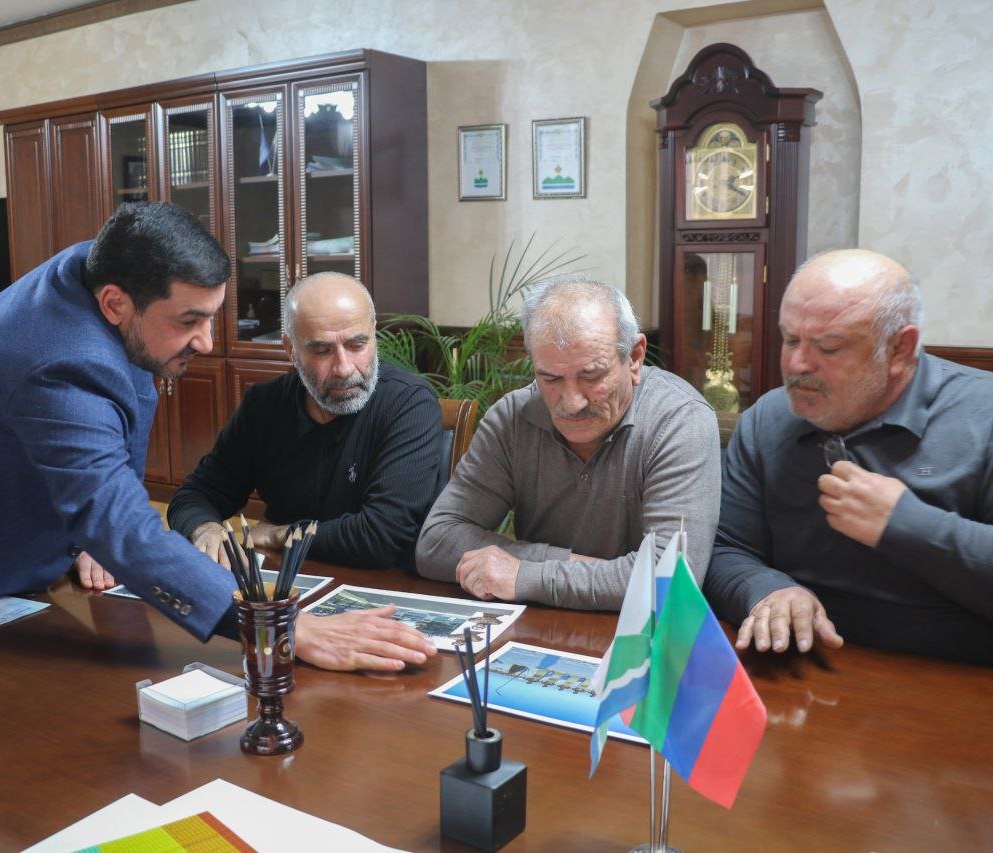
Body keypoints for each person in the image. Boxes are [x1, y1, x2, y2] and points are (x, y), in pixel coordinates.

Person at [0, 202, 434, 672]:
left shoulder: (110, 268)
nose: (206, 343)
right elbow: (120, 519)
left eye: (211, 316)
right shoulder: (59, 360)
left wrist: (91, 528)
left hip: (5, 471)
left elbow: (103, 465)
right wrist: (282, 626)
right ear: (115, 304)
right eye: (189, 321)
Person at [705, 249, 993, 665]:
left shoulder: (983, 416)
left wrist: (906, 525)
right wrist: (766, 589)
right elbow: (725, 549)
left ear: (900, 349)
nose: (798, 364)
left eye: (830, 347)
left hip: (956, 677)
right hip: (801, 666)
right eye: (790, 340)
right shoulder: (768, 418)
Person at [415, 277, 720, 608]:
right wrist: (580, 567)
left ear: (634, 358)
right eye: (551, 379)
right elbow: (436, 541)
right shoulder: (513, 418)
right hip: (539, 623)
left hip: (640, 633)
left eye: (591, 376)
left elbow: (671, 583)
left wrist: (524, 574)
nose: (572, 403)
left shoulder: (680, 421)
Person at [161, 271, 443, 571]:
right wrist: (205, 529)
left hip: (382, 584)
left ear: (373, 335)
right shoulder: (264, 405)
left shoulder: (408, 403)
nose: (344, 368)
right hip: (289, 580)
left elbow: (383, 536)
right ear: (290, 350)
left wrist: (278, 534)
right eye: (321, 350)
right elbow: (196, 495)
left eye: (357, 345)